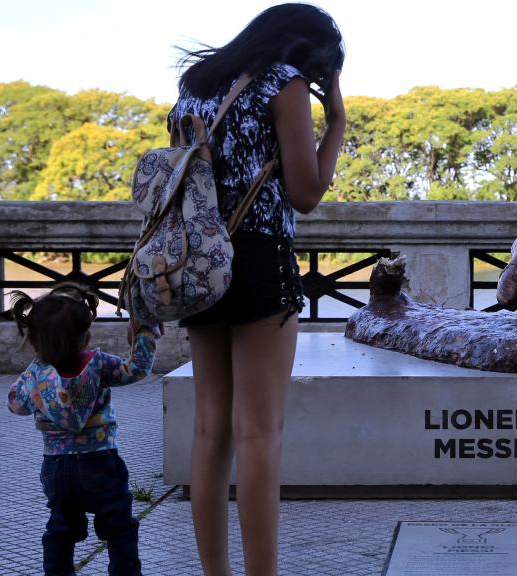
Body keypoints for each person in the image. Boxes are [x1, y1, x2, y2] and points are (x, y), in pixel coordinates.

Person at [172, 4, 345, 575]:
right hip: (257, 258)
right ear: (310, 54)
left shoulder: (195, 84)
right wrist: (336, 120)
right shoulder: (284, 84)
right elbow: (305, 192)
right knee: (258, 434)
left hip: (197, 262)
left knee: (208, 430)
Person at [6, 283, 160, 576]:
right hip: (101, 462)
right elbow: (136, 369)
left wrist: (34, 377)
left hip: (57, 468)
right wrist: (144, 331)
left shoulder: (34, 376)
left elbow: (15, 404)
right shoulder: (99, 365)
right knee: (119, 527)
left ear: (35, 343)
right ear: (86, 336)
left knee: (61, 528)